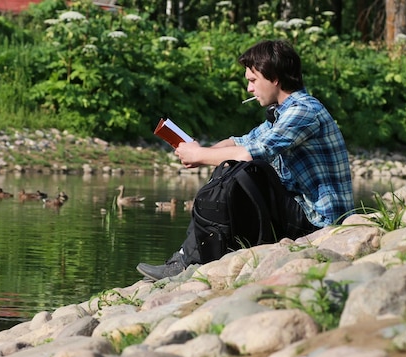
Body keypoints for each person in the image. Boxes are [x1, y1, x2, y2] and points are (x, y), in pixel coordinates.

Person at [136, 39, 354, 282]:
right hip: (301, 212)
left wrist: (200, 156)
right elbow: (241, 141)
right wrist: (201, 149)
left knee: (244, 171)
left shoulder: (303, 111)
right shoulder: (283, 112)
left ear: (274, 78)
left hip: (320, 222)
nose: (249, 89)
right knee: (233, 169)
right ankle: (193, 256)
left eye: (253, 80)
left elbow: (252, 153)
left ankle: (192, 260)